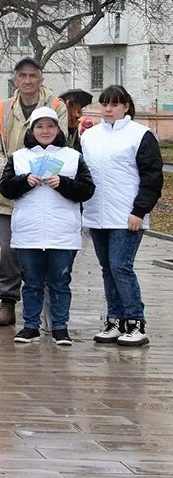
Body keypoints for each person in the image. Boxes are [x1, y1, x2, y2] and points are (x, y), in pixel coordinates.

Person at [0, 107, 95, 346]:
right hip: (28, 231)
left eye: (50, 126)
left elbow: (87, 189)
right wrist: (25, 181)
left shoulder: (72, 156)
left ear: (58, 128)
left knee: (61, 281)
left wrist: (63, 183)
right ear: (31, 130)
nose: (45, 131)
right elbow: (5, 188)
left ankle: (60, 327)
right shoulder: (18, 157)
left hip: (62, 232)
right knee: (31, 282)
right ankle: (30, 326)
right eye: (40, 126)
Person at [0, 57, 68, 327]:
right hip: (9, 194)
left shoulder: (56, 107)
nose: (28, 80)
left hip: (48, 193)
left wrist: (41, 176)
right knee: (9, 251)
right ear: (15, 79)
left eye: (33, 75)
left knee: (47, 250)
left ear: (41, 78)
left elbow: (60, 146)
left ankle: (48, 311)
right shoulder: (3, 109)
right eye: (23, 76)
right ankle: (7, 302)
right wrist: (13, 176)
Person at [80, 85, 163, 347]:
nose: (108, 109)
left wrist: (140, 210)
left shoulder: (140, 135)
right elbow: (83, 173)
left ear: (126, 106)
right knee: (107, 269)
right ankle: (114, 320)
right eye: (104, 103)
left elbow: (152, 177)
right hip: (96, 215)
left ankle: (135, 322)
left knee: (120, 266)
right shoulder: (90, 136)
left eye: (114, 104)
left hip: (127, 216)